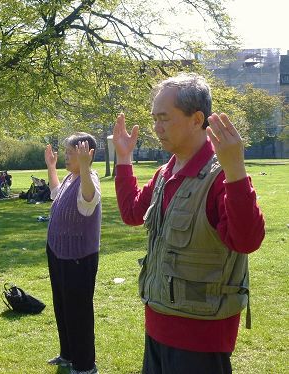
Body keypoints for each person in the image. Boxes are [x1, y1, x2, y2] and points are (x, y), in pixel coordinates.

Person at [112, 73, 265, 373]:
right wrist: (124, 159)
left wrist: (235, 169)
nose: (156, 128)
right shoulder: (164, 174)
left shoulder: (221, 175)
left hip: (200, 340)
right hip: (156, 326)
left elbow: (247, 241)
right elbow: (132, 213)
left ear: (197, 119)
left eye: (164, 118)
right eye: (154, 119)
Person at [44, 133, 101, 374]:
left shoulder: (90, 179)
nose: (66, 157)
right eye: (66, 152)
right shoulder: (70, 177)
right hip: (58, 252)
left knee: (78, 311)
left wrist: (86, 168)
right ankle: (67, 354)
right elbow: (56, 193)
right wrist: (51, 167)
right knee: (62, 306)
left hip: (78, 256)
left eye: (71, 153)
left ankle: (85, 365)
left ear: (86, 155)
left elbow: (88, 201)